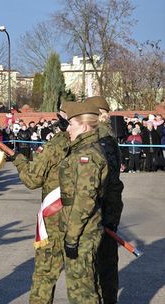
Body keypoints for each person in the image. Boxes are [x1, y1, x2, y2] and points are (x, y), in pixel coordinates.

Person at [12, 102, 72, 304]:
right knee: (84, 280)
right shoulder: (95, 143)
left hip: (55, 219)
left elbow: (32, 179)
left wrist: (19, 161)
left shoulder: (56, 144)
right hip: (84, 217)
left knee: (44, 276)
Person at [60, 101, 108, 303]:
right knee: (88, 285)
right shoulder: (82, 149)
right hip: (81, 228)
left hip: (82, 231)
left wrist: (71, 237)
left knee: (82, 293)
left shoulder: (86, 154)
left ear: (84, 126)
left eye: (72, 124)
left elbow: (84, 200)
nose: (68, 128)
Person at [86, 96, 124, 304]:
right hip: (104, 210)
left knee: (104, 265)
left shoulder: (103, 137)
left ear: (101, 114)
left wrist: (107, 217)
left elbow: (110, 182)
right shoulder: (102, 134)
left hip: (104, 211)